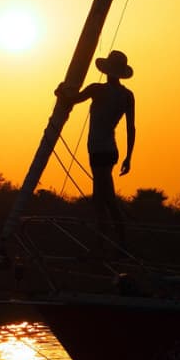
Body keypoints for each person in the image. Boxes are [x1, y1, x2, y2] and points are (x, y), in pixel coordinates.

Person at [56, 49, 136, 252]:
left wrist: (59, 92)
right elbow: (130, 128)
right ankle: (112, 245)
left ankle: (114, 246)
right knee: (102, 198)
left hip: (99, 151)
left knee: (104, 200)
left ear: (108, 70)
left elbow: (70, 101)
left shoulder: (96, 89)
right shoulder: (127, 95)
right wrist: (128, 157)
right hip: (111, 151)